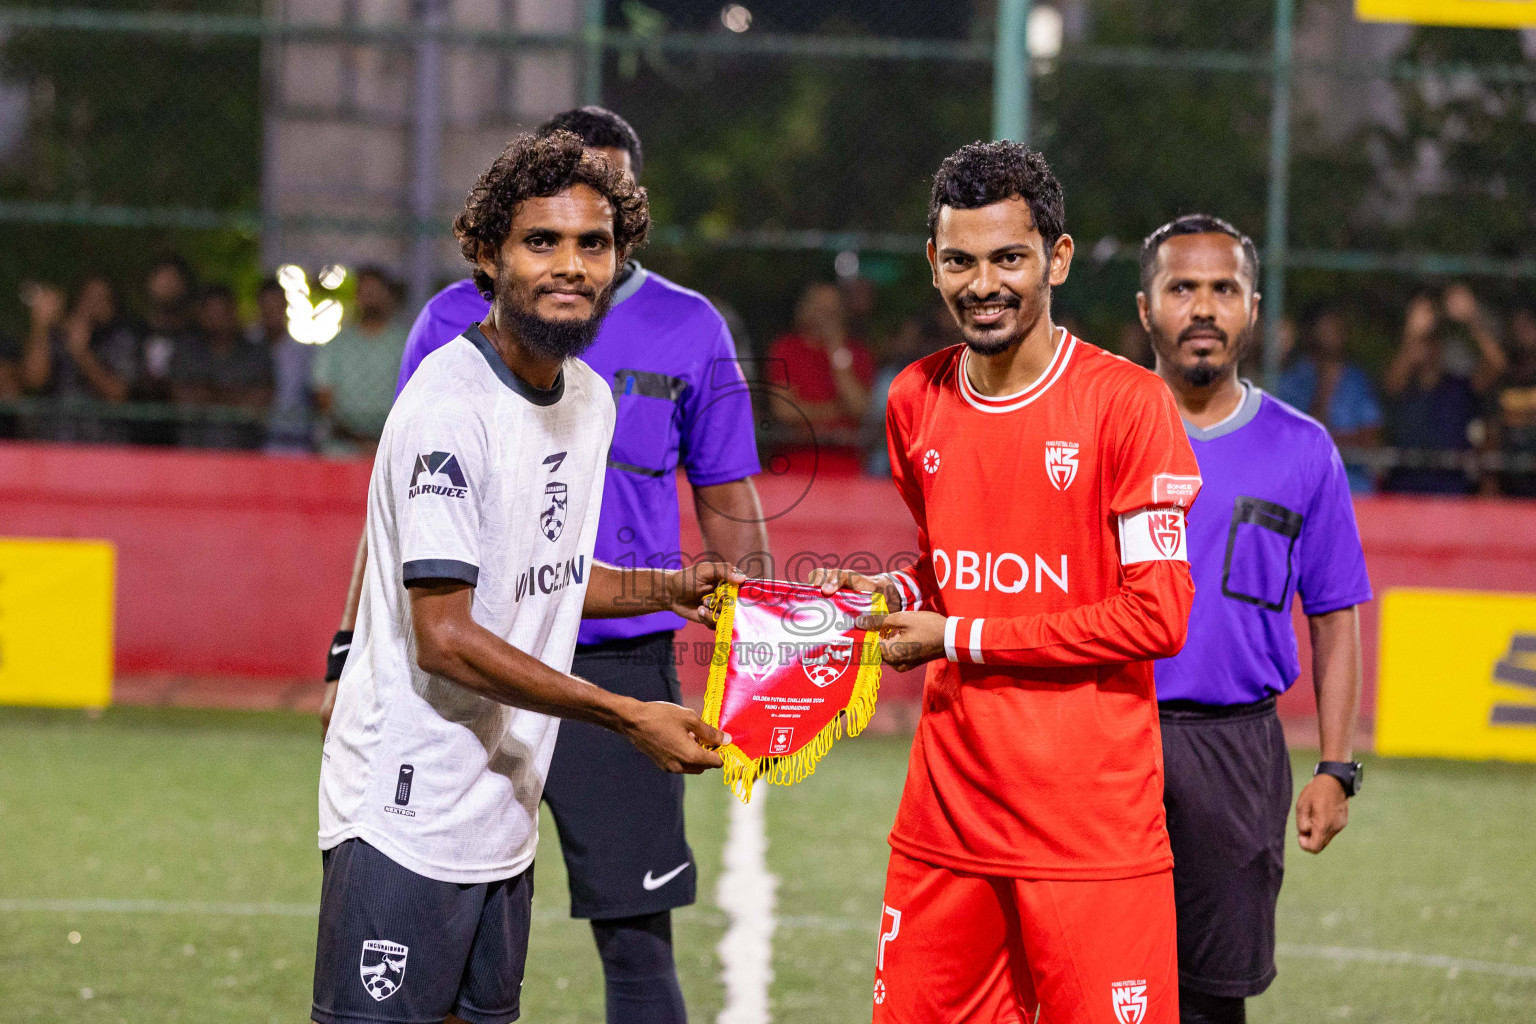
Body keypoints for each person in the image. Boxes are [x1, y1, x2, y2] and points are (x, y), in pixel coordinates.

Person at [324, 106, 768, 1024]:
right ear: (489, 255)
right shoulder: (448, 406)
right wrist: (622, 713)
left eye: (593, 243)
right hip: (414, 797)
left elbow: (546, 570)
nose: (571, 263)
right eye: (542, 241)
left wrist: (671, 588)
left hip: (502, 800)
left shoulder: (587, 396)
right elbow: (445, 636)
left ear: (621, 257)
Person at [815, 141, 1201, 1024]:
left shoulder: (1128, 405)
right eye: (961, 261)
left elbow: (1158, 614)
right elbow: (948, 562)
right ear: (933, 264)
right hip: (947, 822)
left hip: (1089, 832)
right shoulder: (914, 397)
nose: (983, 284)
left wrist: (953, 637)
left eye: (1008, 259)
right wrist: (896, 597)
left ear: (1056, 260)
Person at [1138, 214, 1371, 1024]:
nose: (1202, 307)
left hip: (1235, 749)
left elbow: (1337, 616)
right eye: (1181, 288)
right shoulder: (1096, 430)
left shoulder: (1303, 449)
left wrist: (1337, 766)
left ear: (1252, 308)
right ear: (1146, 309)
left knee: (1211, 996)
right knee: (1092, 977)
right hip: (1106, 731)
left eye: (1222, 289)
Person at [1382, 285, 1505, 494]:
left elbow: (1497, 365)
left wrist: (1472, 319)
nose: (1425, 349)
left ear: (1439, 347)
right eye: (1421, 342)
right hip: (1404, 493)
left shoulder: (1458, 387)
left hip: (1452, 493)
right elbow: (1392, 383)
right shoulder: (1403, 386)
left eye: (1430, 342)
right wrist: (1411, 333)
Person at [766, 281, 875, 466]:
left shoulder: (857, 353)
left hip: (845, 466)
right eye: (819, 307)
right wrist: (837, 412)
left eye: (832, 309)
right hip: (794, 463)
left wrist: (836, 352)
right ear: (804, 309)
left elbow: (859, 408)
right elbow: (784, 410)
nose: (825, 315)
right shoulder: (785, 349)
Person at [18, 276, 138, 443]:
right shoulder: (55, 335)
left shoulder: (121, 339)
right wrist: (41, 325)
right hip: (53, 442)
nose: (93, 305)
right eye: (88, 297)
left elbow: (118, 395)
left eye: (101, 299)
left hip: (103, 446)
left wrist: (82, 353)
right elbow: (33, 380)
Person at [1276, 307, 1383, 493]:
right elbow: (1301, 442)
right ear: (1310, 334)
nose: (1335, 333)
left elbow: (1372, 438)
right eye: (1327, 327)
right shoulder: (1293, 381)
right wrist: (1325, 386)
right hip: (1308, 492)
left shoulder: (1356, 378)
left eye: (1338, 327)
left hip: (1355, 490)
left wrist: (1329, 443)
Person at [313, 266, 409, 456]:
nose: (370, 297)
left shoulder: (406, 342)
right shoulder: (336, 345)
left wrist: (382, 440)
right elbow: (323, 399)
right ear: (356, 297)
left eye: (376, 291)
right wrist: (358, 440)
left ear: (389, 295)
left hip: (395, 443)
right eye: (365, 292)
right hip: (343, 443)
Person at [169, 284, 273, 449]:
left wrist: (209, 395)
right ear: (201, 313)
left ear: (233, 312)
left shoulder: (256, 353)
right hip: (193, 452)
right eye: (211, 311)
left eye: (222, 311)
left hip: (242, 452)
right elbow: (182, 400)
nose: (217, 317)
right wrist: (233, 396)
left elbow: (258, 404)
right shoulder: (186, 351)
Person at [133, 254, 197, 445]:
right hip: (135, 437)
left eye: (173, 279)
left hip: (185, 439)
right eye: (162, 278)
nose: (168, 285)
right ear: (149, 283)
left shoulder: (196, 336)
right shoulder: (132, 332)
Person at [257, 276, 315, 453]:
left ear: (285, 307)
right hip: (255, 445)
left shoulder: (305, 353)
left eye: (276, 305)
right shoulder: (245, 348)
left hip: (296, 446)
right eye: (267, 306)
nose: (272, 311)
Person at [1492, 306, 1536, 497]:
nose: (1522, 333)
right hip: (1508, 483)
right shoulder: (1503, 375)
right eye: (1517, 327)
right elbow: (1491, 430)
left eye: (1527, 326)